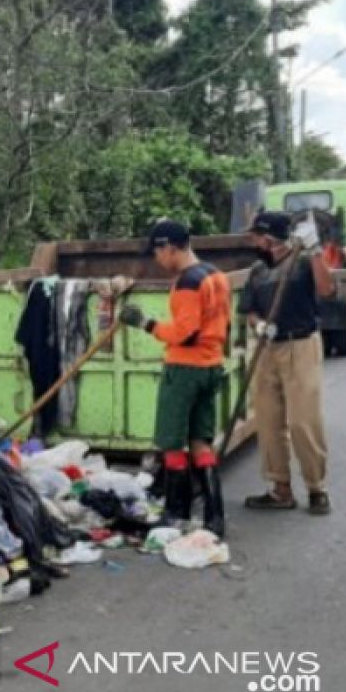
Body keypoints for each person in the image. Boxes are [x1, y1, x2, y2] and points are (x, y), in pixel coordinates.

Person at [120, 220, 231, 536]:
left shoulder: (186, 283)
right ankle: (215, 517)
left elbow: (184, 333)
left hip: (184, 370)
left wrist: (146, 323)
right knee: (200, 440)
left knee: (171, 441)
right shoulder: (216, 275)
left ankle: (175, 514)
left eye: (157, 252)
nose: (157, 259)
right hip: (211, 366)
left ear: (168, 247)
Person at [240, 210, 335, 515]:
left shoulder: (304, 262)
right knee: (268, 422)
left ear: (268, 238)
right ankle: (280, 488)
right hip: (268, 348)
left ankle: (316, 487)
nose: (253, 241)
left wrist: (316, 250)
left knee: (302, 421)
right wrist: (258, 325)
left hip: (301, 345)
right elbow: (249, 310)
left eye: (256, 236)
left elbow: (326, 289)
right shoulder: (257, 271)